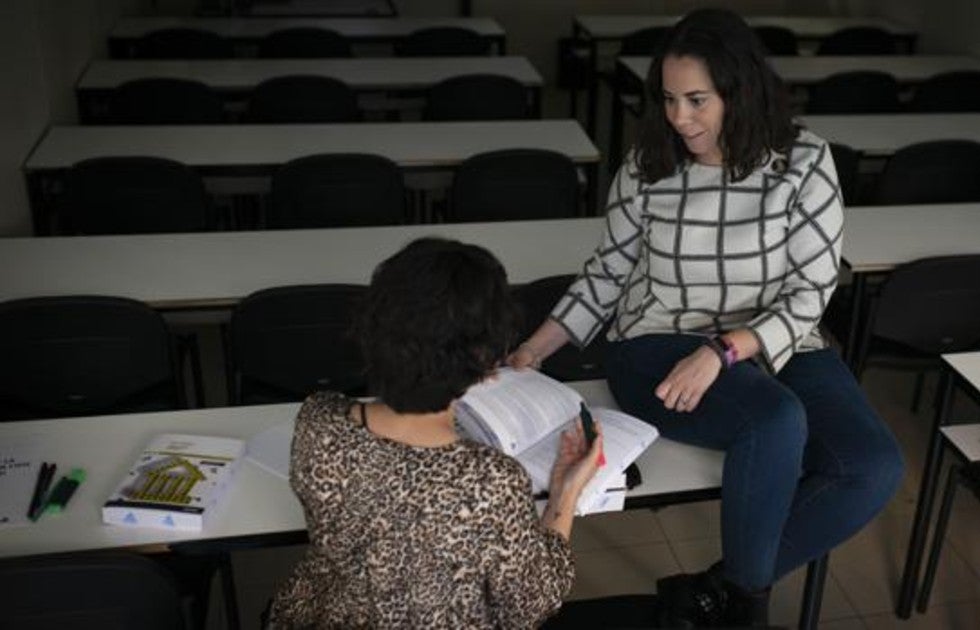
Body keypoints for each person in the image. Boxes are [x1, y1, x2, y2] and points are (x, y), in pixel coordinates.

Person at [509, 9, 904, 627]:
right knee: (775, 421)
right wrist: (533, 350)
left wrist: (724, 350)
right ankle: (745, 616)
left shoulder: (803, 161)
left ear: (739, 92)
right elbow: (607, 276)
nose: (678, 118)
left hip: (776, 343)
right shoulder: (647, 166)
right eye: (668, 99)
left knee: (873, 467)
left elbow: (812, 289)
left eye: (696, 100)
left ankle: (715, 594)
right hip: (655, 343)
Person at [269, 238, 602, 629]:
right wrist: (564, 495)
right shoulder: (491, 482)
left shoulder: (317, 420)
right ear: (487, 363)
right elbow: (529, 606)